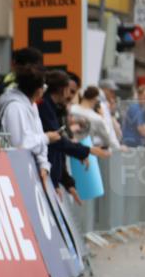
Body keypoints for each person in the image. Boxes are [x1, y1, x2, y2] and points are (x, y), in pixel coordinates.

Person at [40, 70, 108, 198]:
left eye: (74, 92)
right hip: (44, 175)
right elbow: (57, 144)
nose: (70, 96)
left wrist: (66, 181)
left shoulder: (57, 110)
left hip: (50, 175)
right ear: (63, 89)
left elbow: (59, 148)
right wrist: (87, 150)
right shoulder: (46, 107)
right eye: (70, 91)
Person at [0, 63, 50, 179]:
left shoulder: (31, 104)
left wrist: (43, 164)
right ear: (38, 91)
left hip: (24, 171)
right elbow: (19, 145)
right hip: (9, 172)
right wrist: (46, 138)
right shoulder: (14, 107)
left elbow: (37, 134)